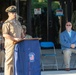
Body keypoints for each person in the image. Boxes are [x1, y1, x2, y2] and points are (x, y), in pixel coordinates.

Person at [2, 5, 24, 75]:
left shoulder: (17, 22)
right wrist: (14, 38)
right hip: (11, 44)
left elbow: (21, 32)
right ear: (9, 14)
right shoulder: (7, 23)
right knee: (10, 61)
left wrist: (23, 36)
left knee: (18, 60)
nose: (14, 14)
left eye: (15, 12)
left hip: (19, 43)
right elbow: (5, 34)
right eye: (12, 13)